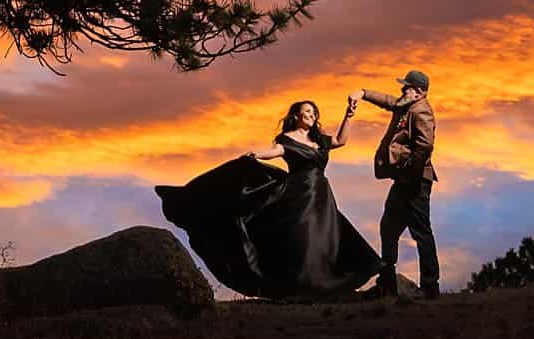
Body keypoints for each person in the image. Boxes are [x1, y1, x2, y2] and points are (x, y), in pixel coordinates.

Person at [154, 98, 380, 299]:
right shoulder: (288, 139)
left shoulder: (319, 139)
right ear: (296, 115)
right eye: (308, 111)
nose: (312, 115)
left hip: (322, 195)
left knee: (324, 238)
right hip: (299, 194)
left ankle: (323, 285)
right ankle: (300, 286)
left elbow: (341, 141)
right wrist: (257, 154)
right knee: (304, 239)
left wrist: (349, 115)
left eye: (314, 113)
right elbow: (277, 151)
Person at [354, 69, 439, 299]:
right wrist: (363, 93)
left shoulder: (422, 112)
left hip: (415, 181)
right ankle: (387, 282)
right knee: (389, 227)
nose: (402, 90)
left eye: (407, 87)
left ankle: (430, 287)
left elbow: (424, 146)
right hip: (405, 181)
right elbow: (389, 101)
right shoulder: (406, 105)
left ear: (419, 92)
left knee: (421, 232)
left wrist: (409, 173)